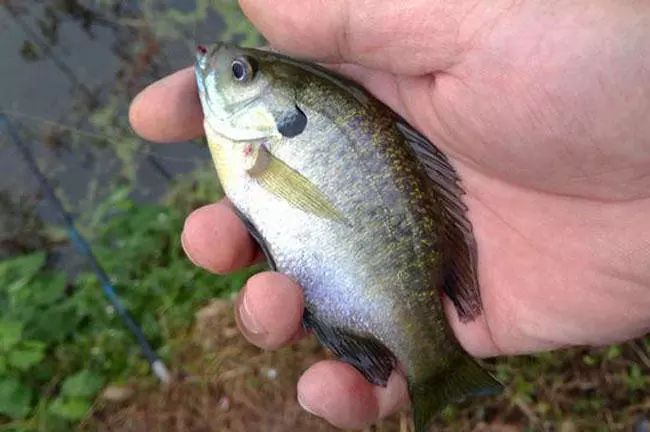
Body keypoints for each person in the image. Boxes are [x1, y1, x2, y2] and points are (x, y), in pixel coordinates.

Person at [129, 1, 650, 428]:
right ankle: (435, 369)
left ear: (284, 109)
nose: (217, 61)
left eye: (241, 73)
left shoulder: (264, 144)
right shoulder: (265, 139)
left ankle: (436, 368)